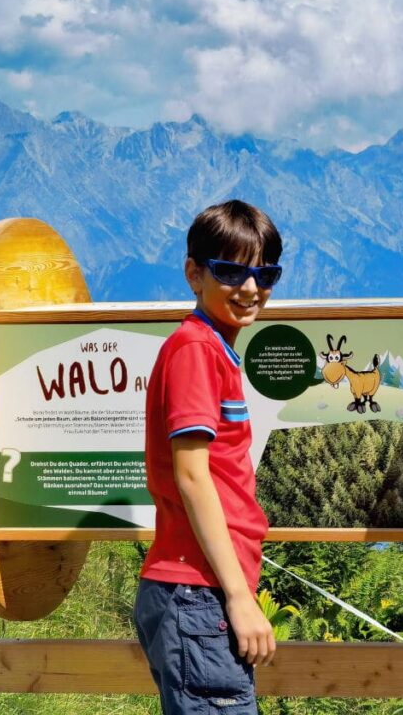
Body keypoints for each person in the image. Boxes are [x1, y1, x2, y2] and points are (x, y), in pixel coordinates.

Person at [134, 199, 283, 714]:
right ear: (193, 274)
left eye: (265, 274)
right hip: (199, 594)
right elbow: (193, 476)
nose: (249, 289)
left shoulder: (210, 347)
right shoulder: (196, 348)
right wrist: (240, 598)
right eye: (230, 271)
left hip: (199, 596)